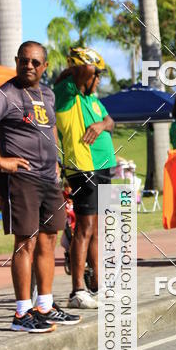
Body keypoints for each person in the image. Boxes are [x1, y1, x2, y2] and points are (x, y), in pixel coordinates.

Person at [0, 41, 79, 332]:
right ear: (17, 60)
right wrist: (2, 162)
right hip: (22, 179)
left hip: (49, 178)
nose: (28, 66)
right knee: (26, 242)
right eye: (24, 60)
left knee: (48, 240)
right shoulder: (6, 94)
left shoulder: (46, 93)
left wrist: (57, 160)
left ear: (44, 67)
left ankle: (44, 306)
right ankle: (21, 313)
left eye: (35, 62)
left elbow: (51, 127)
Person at [53, 47, 115, 309]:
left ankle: (98, 287)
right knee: (84, 230)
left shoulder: (93, 99)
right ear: (83, 73)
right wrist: (82, 62)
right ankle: (77, 290)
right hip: (83, 169)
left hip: (103, 167)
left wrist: (100, 125)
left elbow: (111, 121)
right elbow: (76, 74)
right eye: (96, 74)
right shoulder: (68, 95)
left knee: (97, 231)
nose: (99, 79)